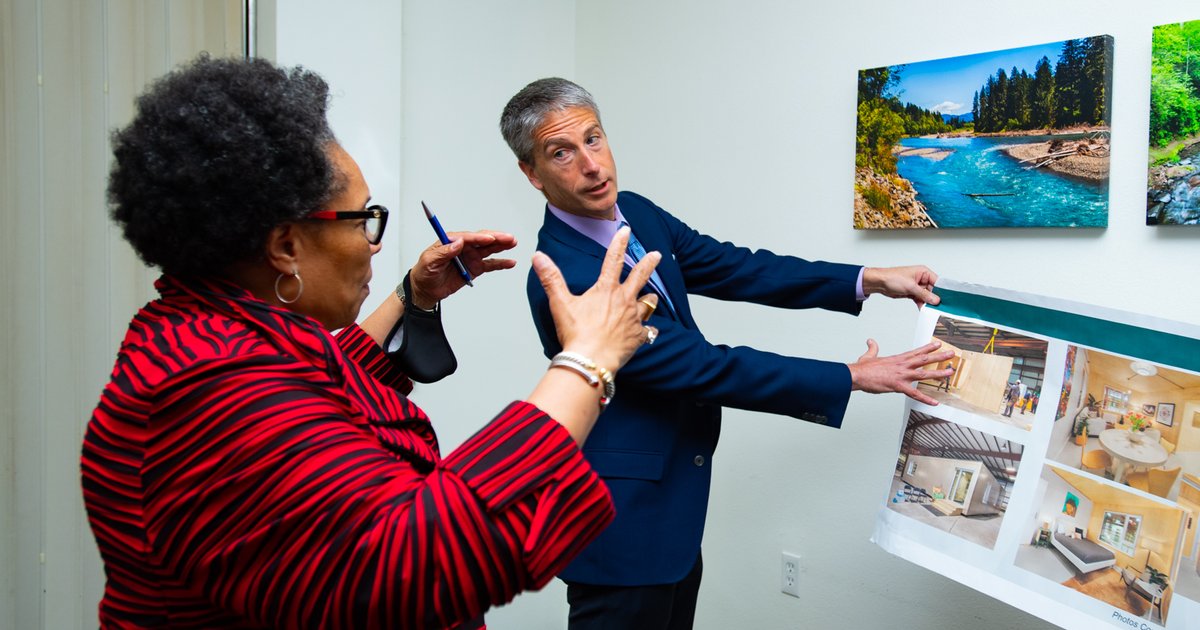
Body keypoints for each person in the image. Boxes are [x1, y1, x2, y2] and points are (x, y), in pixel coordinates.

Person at [80, 56, 664, 630]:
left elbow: (321, 388)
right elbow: (414, 568)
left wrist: (414, 294)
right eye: (362, 220)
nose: (373, 243)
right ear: (286, 246)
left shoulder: (207, 332)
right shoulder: (207, 385)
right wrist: (587, 361)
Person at [499, 77, 954, 629]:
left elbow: (738, 267)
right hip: (619, 527)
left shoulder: (635, 213)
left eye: (593, 139)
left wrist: (868, 278)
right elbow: (703, 367)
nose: (592, 166)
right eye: (562, 153)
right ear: (533, 173)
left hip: (673, 510)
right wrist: (851, 376)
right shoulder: (565, 278)